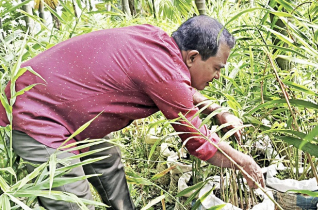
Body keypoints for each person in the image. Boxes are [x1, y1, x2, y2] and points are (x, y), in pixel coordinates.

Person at [0, 15, 264, 210]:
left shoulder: (158, 43)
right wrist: (244, 163)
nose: (218, 76)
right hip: (36, 113)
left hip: (61, 109)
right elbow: (198, 142)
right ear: (193, 57)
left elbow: (172, 86)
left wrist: (216, 110)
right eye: (217, 67)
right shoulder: (166, 71)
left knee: (107, 158)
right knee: (75, 203)